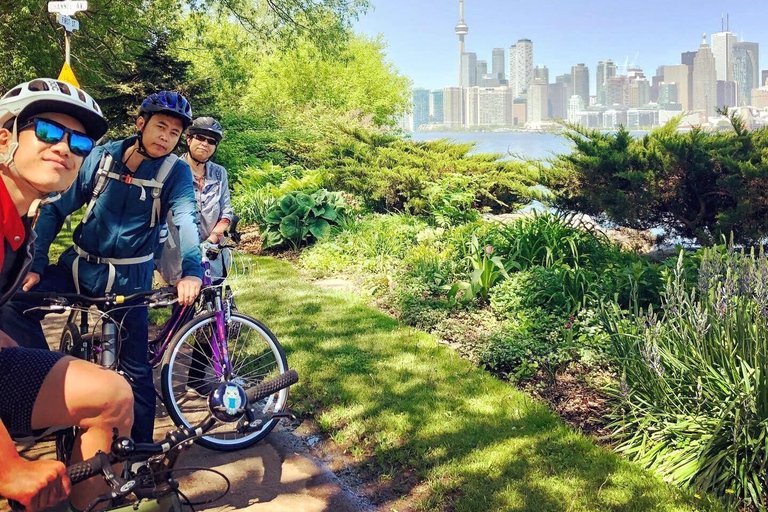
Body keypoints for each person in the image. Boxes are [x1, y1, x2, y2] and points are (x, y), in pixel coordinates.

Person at [0, 91, 203, 445]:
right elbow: (56, 209)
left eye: (173, 133)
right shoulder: (101, 156)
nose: (165, 137)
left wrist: (191, 270)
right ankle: (50, 381)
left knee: (136, 371)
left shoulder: (176, 172)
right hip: (80, 267)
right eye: (159, 126)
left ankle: (138, 454)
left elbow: (185, 219)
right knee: (15, 303)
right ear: (141, 124)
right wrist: (38, 262)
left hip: (130, 279)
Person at [0, 78, 134, 512]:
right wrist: (7, 466)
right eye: (47, 131)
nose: (64, 147)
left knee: (112, 396)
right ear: (4, 138)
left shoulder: (21, 224)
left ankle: (89, 505)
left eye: (78, 143)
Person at [156, 116, 234, 285]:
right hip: (176, 257)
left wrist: (212, 239)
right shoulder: (169, 169)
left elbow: (226, 212)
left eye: (211, 141)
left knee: (213, 305)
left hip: (212, 255)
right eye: (200, 137)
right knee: (183, 306)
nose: (205, 144)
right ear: (189, 139)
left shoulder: (220, 174)